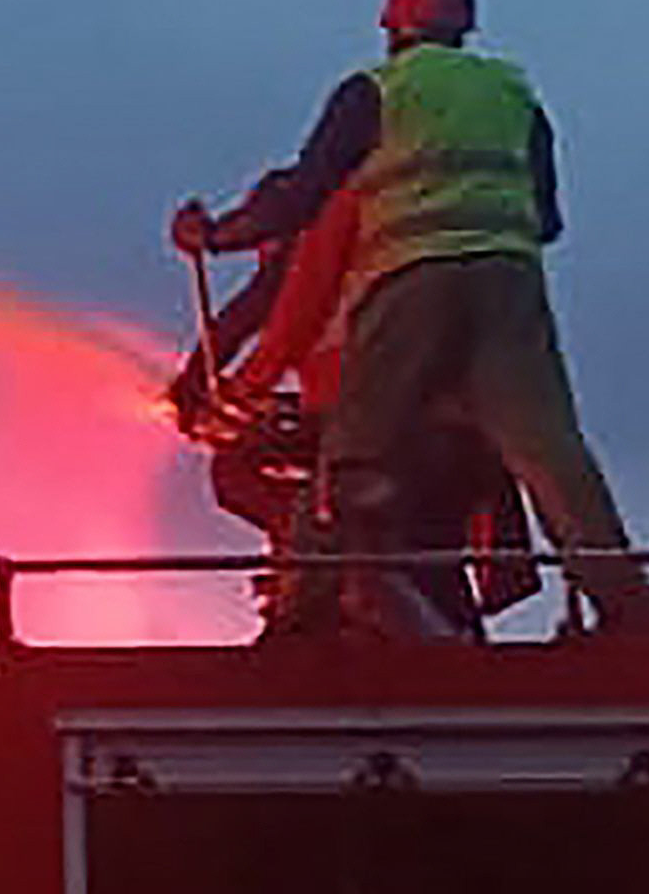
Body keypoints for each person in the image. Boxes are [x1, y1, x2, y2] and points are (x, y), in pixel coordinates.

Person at [172, 0, 649, 635]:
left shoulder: (376, 92)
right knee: (549, 450)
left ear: (391, 28)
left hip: (411, 279)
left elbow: (301, 198)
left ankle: (305, 619)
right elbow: (548, 217)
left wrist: (212, 237)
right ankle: (630, 610)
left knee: (355, 450)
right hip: (511, 286)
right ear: (466, 26)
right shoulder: (513, 94)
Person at [166, 185, 539, 640]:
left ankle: (313, 585)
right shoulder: (400, 254)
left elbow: (261, 322)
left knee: (238, 472)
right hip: (453, 436)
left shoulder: (316, 237)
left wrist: (206, 393)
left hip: (382, 433)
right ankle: (458, 654)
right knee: (431, 548)